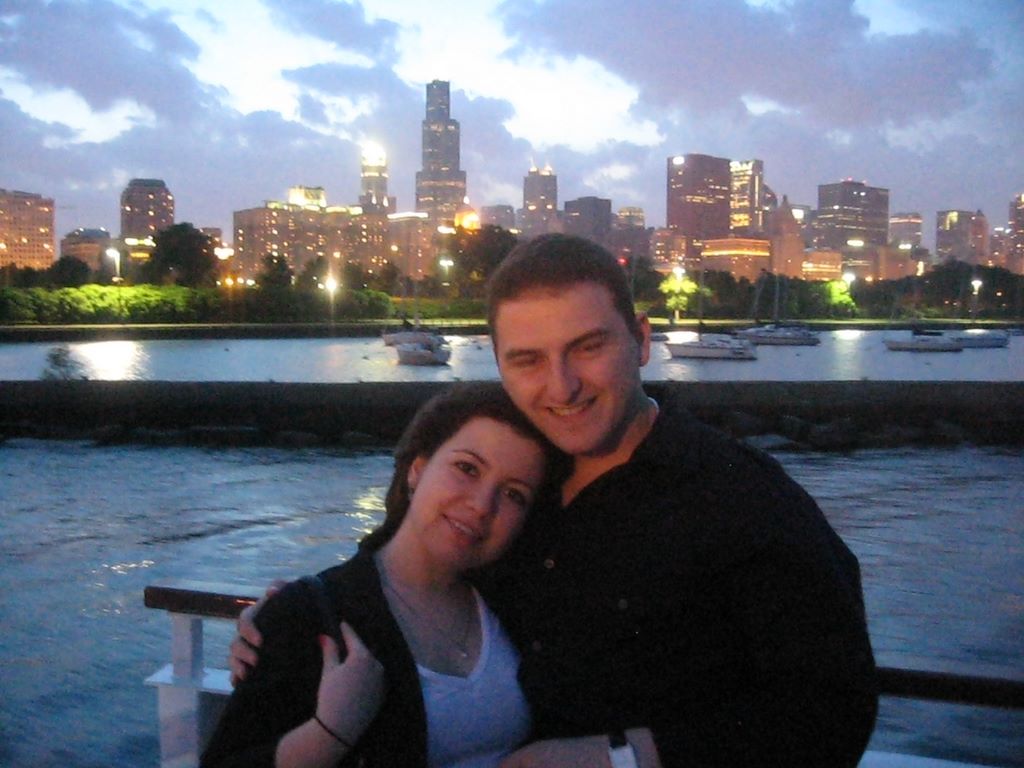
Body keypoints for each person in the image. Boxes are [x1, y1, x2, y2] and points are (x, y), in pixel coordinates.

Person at [233, 234, 878, 767]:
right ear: (500, 365)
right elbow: (417, 561)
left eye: (587, 348)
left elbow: (832, 713)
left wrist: (621, 757)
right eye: (528, 361)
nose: (561, 386)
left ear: (641, 340)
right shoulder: (520, 485)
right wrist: (294, 623)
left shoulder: (744, 500)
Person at [202, 382, 568, 768]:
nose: (481, 505)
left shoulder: (518, 609)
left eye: (513, 494)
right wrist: (328, 735)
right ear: (417, 470)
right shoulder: (311, 616)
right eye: (467, 468)